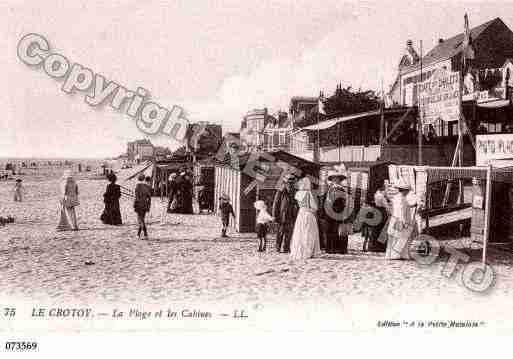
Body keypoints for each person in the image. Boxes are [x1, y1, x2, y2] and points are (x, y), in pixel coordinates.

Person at [385, 179, 418, 260]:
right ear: (404, 190)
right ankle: (400, 255)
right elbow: (401, 210)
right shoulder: (402, 198)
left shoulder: (397, 197)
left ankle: (393, 254)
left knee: (395, 237)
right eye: (407, 191)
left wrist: (414, 205)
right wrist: (404, 221)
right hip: (400, 220)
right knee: (402, 237)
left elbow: (405, 206)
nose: (407, 192)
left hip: (395, 219)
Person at [290, 177, 320, 260]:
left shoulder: (298, 194)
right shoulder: (308, 193)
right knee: (309, 233)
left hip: (300, 214)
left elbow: (298, 205)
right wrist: (314, 209)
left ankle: (299, 251)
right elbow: (314, 206)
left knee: (299, 232)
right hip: (308, 214)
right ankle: (308, 252)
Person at [322, 173, 350, 254]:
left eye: (337, 179)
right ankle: (329, 248)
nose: (335, 181)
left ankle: (336, 248)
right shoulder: (328, 189)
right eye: (333, 179)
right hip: (328, 212)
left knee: (335, 230)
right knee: (329, 230)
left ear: (339, 181)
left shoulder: (342, 190)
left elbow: (343, 202)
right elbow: (324, 201)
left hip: (337, 212)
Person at [272, 174, 298, 253]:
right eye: (289, 183)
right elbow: (276, 204)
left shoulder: (295, 191)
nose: (290, 184)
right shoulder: (280, 191)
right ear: (285, 183)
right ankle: (278, 247)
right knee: (280, 232)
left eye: (292, 183)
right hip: (282, 215)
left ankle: (286, 247)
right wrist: (274, 215)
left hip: (292, 214)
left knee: (289, 232)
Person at [134, 174, 152, 240]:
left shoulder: (137, 186)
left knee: (140, 219)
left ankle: (145, 234)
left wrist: (135, 204)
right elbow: (149, 198)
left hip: (139, 204)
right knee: (142, 219)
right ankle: (138, 234)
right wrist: (148, 206)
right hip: (145, 204)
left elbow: (136, 197)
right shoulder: (147, 186)